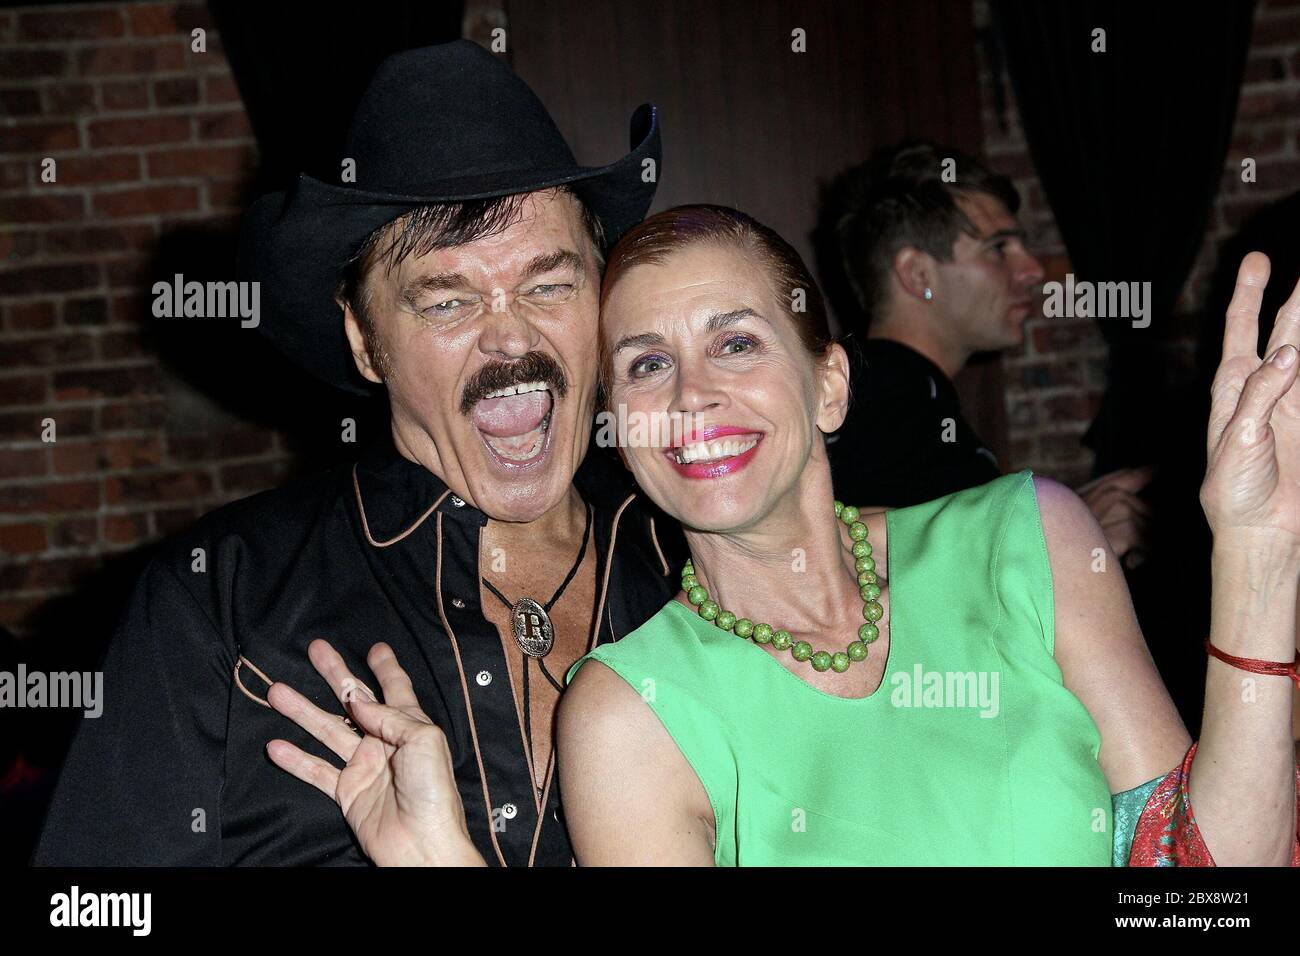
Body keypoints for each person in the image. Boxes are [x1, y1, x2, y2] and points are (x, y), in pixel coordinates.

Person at [265, 205, 1299, 867]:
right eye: (645, 364)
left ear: (831, 382)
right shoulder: (632, 709)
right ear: (619, 430)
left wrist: (1254, 556)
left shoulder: (1029, 535)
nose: (695, 393)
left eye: (736, 340)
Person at [33, 41, 682, 867]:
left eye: (549, 284)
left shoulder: (692, 564)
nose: (511, 335)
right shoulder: (220, 599)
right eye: (446, 300)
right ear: (364, 340)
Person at [822, 141, 1154, 568]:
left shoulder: (896, 388)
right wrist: (1062, 534)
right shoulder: (889, 387)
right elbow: (883, 571)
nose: (1033, 269)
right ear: (918, 273)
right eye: (999, 248)